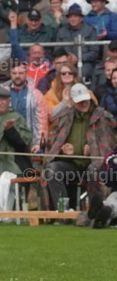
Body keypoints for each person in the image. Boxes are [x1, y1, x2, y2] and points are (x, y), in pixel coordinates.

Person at [44, 83, 117, 211]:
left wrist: (92, 151)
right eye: (79, 101)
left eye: (85, 100)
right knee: (52, 170)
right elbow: (53, 143)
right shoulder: (65, 117)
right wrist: (63, 152)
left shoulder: (103, 116)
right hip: (72, 165)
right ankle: (62, 212)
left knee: (94, 170)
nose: (84, 103)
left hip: (96, 164)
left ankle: (96, 211)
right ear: (72, 102)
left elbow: (110, 146)